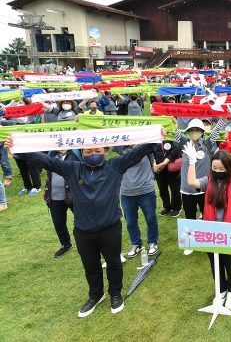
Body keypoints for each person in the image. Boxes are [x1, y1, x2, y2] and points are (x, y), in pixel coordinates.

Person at [4, 128, 166, 317]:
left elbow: (138, 152)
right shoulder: (72, 169)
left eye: (98, 151)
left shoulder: (115, 165)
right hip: (83, 230)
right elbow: (45, 160)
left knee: (113, 263)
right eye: (88, 152)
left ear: (105, 151)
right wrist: (18, 148)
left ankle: (115, 293)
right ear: (81, 153)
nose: (93, 154)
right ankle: (96, 295)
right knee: (91, 265)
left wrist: (157, 135)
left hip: (110, 227)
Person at [185, 145, 231, 311]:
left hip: (230, 230)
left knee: (230, 262)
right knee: (215, 261)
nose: (217, 171)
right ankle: (221, 290)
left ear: (228, 168)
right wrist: (191, 162)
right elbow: (191, 182)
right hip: (211, 229)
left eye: (221, 168)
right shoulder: (208, 180)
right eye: (214, 168)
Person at [175, 118, 224, 255]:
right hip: (187, 189)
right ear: (188, 132)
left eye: (197, 130)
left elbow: (215, 132)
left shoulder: (207, 144)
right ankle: (190, 243)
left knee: (208, 215)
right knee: (190, 216)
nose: (195, 133)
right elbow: (172, 131)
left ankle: (208, 239)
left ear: (202, 132)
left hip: (204, 189)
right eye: (192, 130)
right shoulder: (185, 143)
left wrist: (224, 119)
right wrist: (169, 122)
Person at [114, 144, 160, 258]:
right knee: (130, 222)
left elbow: (155, 140)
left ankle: (152, 242)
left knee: (151, 218)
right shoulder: (121, 148)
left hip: (146, 191)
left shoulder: (146, 147)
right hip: (126, 193)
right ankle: (136, 244)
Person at [43, 148, 82, 257]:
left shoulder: (77, 151)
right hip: (55, 195)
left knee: (82, 219)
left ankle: (87, 243)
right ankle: (65, 244)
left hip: (75, 193)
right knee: (58, 222)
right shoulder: (50, 153)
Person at [153, 138, 183, 218]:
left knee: (174, 188)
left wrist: (164, 163)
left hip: (171, 167)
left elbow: (177, 150)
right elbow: (151, 151)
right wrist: (154, 164)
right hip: (158, 168)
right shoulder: (154, 137)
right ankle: (167, 206)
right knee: (162, 189)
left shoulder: (172, 136)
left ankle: (176, 207)